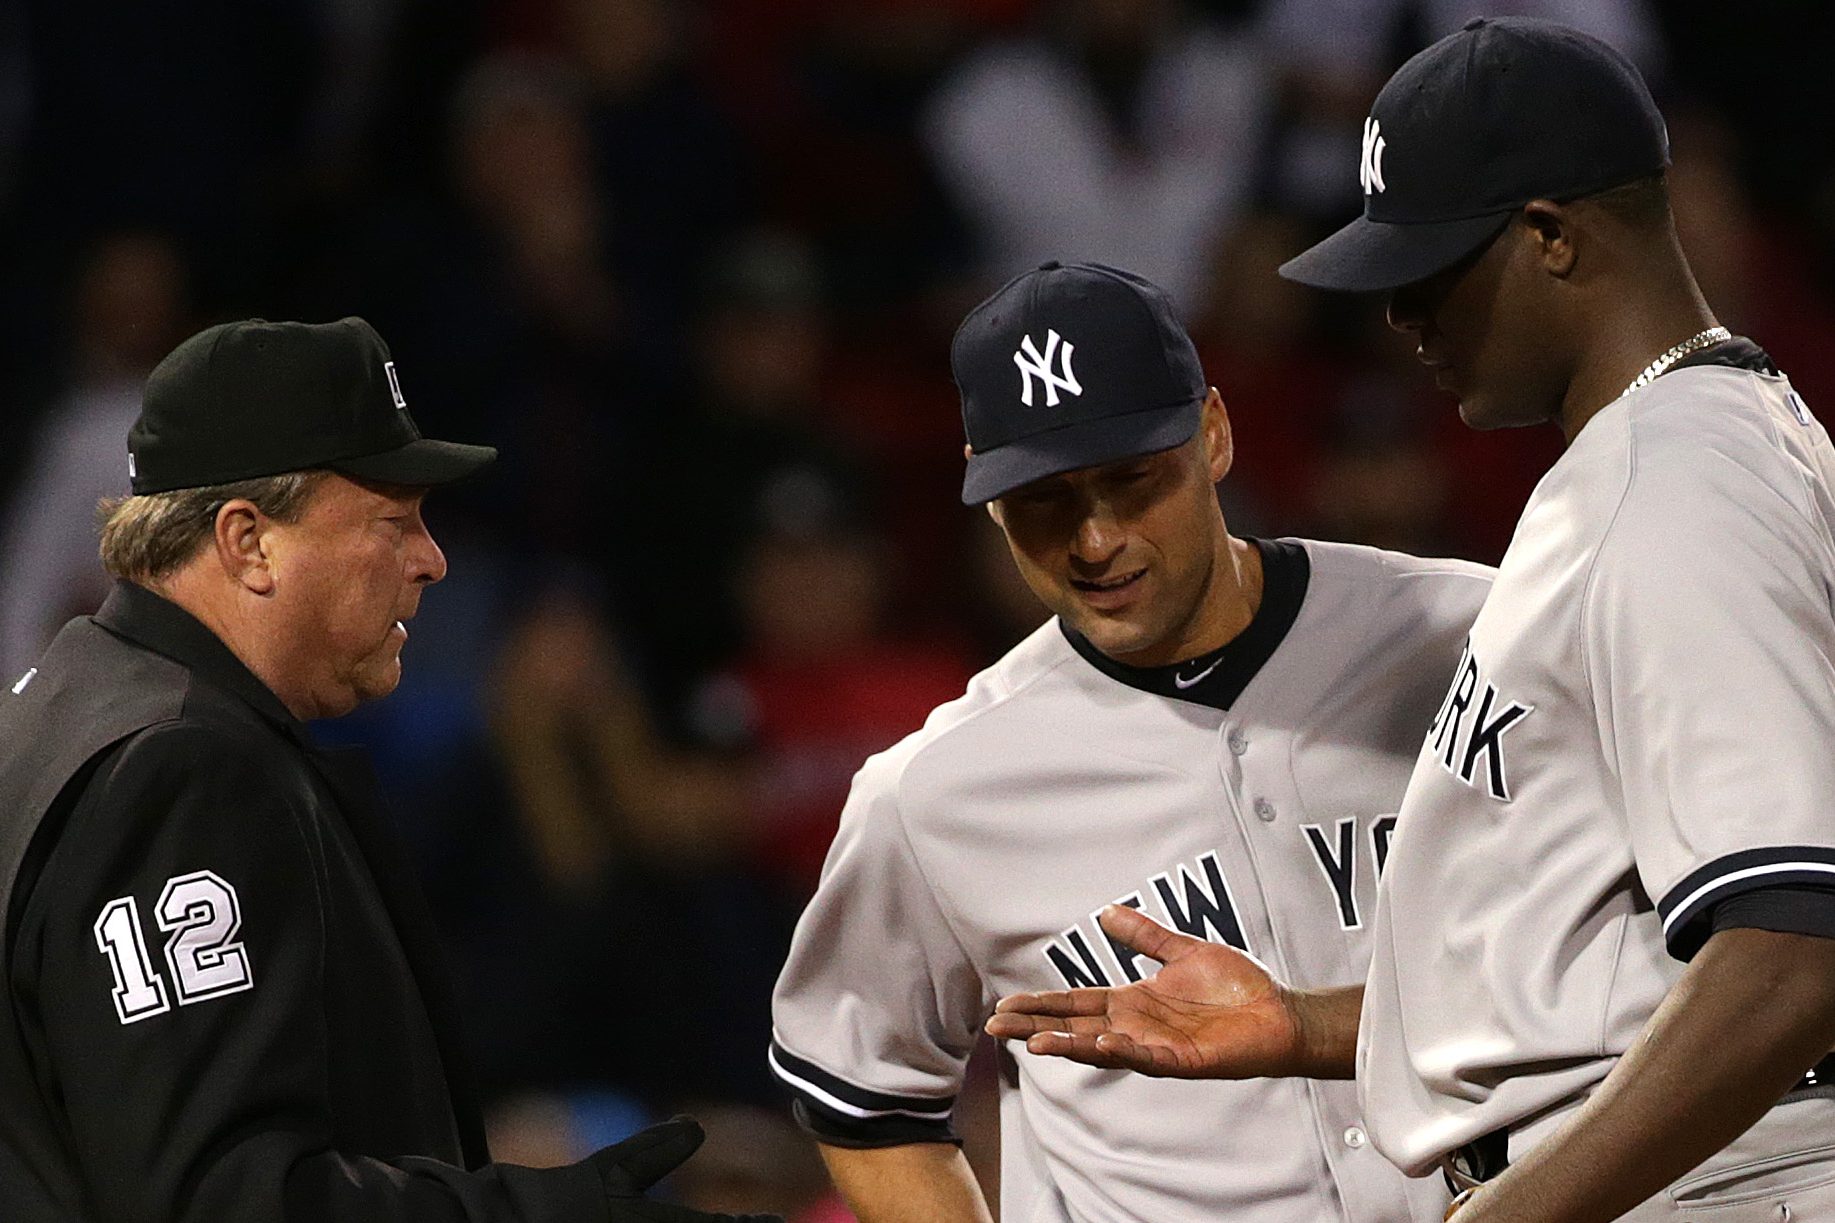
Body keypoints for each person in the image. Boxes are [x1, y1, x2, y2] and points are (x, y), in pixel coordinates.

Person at [986, 19, 1835, 1222]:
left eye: (1429, 267)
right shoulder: (1693, 449)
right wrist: (1309, 1023)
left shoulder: (1672, 482)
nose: (1396, 317)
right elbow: (1603, 969)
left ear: (1549, 238)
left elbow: (1792, 942)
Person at [0, 316, 774, 1223]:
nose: (431, 560)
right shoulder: (178, 767)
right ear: (250, 541)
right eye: (392, 520)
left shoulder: (65, 706)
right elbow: (222, 1201)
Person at [769, 260, 1494, 1221]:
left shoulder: (1468, 633)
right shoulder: (935, 792)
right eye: (1043, 500)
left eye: (1130, 479)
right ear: (986, 497)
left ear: (1215, 433)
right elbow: (859, 1098)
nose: (1096, 539)